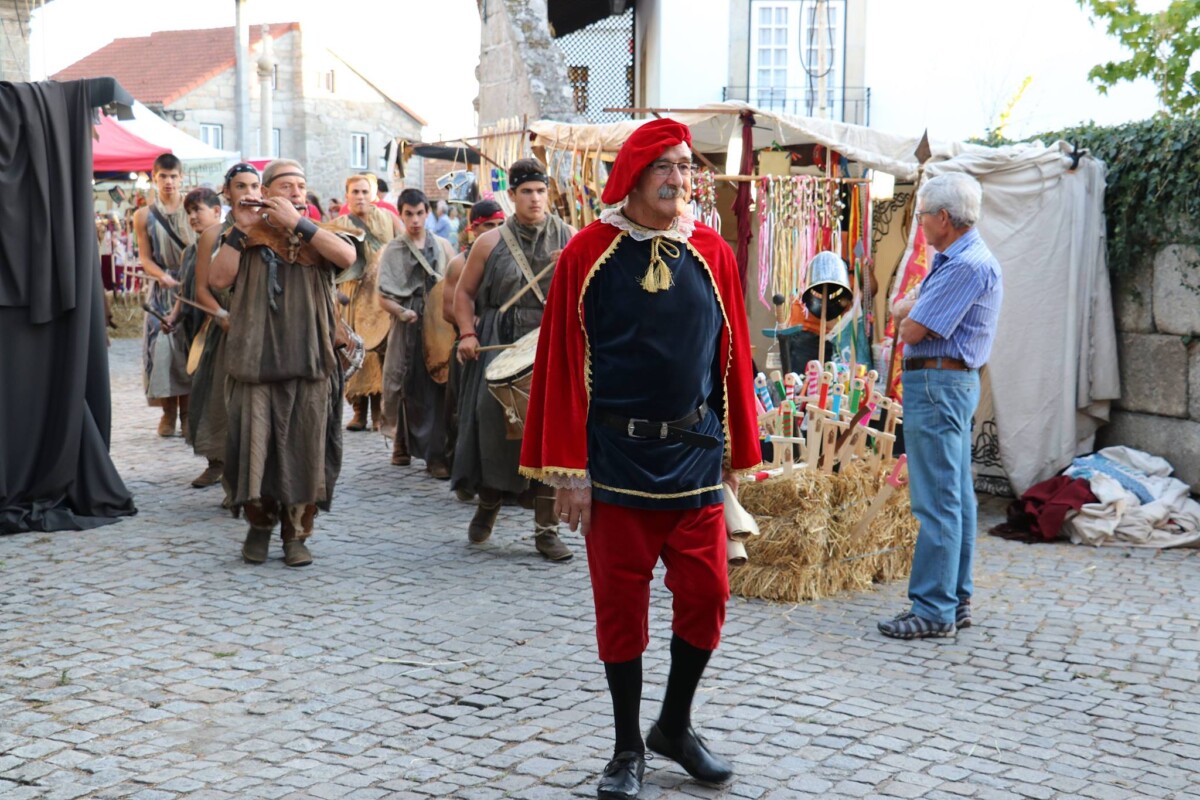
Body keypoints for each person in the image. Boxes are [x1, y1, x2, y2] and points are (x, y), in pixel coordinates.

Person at [518, 119, 760, 799]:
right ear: (632, 174)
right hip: (615, 461)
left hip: (693, 456)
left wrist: (736, 449)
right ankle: (627, 748)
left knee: (708, 595)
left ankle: (674, 726)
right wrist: (570, 470)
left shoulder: (712, 250)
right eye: (664, 167)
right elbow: (563, 363)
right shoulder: (588, 253)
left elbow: (733, 355)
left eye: (686, 168)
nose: (678, 179)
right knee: (621, 610)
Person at [209, 159, 357, 567]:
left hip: (310, 364)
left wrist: (299, 224)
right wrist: (241, 228)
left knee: (306, 452)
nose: (295, 192)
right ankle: (259, 527)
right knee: (253, 450)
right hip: (254, 363)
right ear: (267, 192)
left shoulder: (320, 236)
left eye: (301, 185)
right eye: (286, 186)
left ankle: (297, 534)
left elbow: (346, 257)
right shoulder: (243, 233)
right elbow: (218, 280)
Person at [877, 172, 1002, 640]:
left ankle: (933, 607)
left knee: (938, 500)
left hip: (938, 382)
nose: (921, 223)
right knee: (957, 496)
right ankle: (955, 598)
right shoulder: (958, 259)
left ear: (944, 218)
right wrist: (911, 306)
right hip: (947, 382)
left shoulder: (964, 264)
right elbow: (905, 308)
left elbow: (908, 327)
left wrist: (909, 308)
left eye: (923, 215)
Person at [453, 159, 575, 561]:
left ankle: (546, 531)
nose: (535, 198)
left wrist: (571, 267)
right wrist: (468, 332)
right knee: (495, 432)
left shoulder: (571, 239)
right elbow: (464, 294)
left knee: (548, 437)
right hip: (499, 346)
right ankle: (489, 501)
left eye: (541, 191)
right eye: (527, 191)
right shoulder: (489, 242)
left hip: (550, 348)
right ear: (512, 195)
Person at [181, 165, 262, 497]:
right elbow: (201, 290)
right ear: (226, 193)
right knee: (220, 404)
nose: (248, 193)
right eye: (240, 186)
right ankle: (221, 466)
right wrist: (221, 315)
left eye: (254, 185)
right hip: (225, 328)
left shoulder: (271, 231)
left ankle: (254, 479)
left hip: (262, 333)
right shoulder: (212, 235)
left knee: (257, 407)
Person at [376, 188, 456, 477]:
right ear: (401, 214)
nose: (415, 220)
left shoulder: (444, 246)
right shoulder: (393, 250)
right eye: (408, 214)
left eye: (420, 213)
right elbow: (383, 297)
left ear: (427, 212)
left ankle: (436, 454)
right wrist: (402, 312)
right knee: (405, 384)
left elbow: (453, 284)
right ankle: (402, 442)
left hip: (437, 323)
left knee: (437, 384)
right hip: (407, 323)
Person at [441, 200, 505, 500]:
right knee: (464, 413)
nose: (493, 231)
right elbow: (447, 309)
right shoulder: (459, 263)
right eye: (487, 226)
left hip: (501, 343)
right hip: (470, 347)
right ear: (472, 229)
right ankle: (464, 475)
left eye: (497, 225)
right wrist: (471, 326)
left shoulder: (507, 255)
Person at [161, 187, 223, 485]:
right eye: (190, 212)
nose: (193, 216)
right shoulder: (190, 251)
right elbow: (185, 291)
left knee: (221, 399)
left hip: (222, 331)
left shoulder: (226, 246)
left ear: (217, 212)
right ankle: (214, 461)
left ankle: (228, 465)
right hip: (195, 334)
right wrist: (173, 318)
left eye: (199, 209)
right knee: (200, 396)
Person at [133, 153, 196, 437]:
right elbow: (145, 257)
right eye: (163, 177)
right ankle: (168, 414)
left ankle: (189, 415)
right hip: (162, 290)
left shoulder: (193, 208)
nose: (168, 182)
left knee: (191, 352)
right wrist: (161, 275)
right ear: (154, 177)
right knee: (162, 352)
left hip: (193, 287)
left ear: (181, 177)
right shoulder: (143, 215)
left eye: (173, 176)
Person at [336, 173, 403, 432]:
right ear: (347, 195)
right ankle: (357, 411)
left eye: (365, 192)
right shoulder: (339, 223)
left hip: (379, 295)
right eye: (355, 192)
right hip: (351, 296)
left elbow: (404, 244)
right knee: (353, 350)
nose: (360, 197)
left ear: (373, 195)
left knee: (378, 352)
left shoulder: (388, 219)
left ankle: (378, 411)